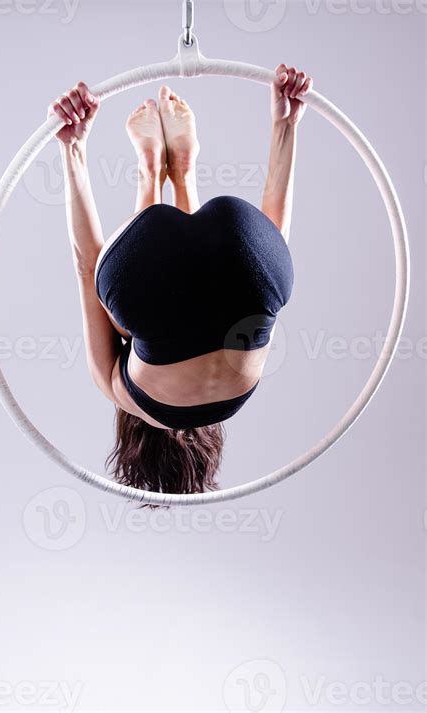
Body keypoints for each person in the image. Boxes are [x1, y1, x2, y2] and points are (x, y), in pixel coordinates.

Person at [49, 65, 313, 497]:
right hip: (148, 269)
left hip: (245, 251)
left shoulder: (234, 400)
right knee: (131, 324)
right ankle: (153, 169)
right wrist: (73, 147)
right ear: (131, 438)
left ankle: (181, 170)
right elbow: (86, 267)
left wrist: (286, 123)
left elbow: (265, 260)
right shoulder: (123, 397)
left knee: (238, 305)